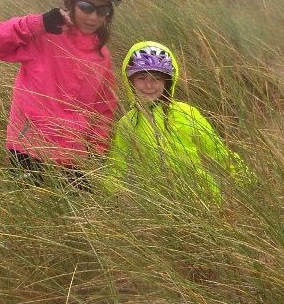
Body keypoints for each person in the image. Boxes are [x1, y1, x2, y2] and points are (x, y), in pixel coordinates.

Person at [0, 0, 123, 187]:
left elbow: (103, 107)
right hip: (28, 148)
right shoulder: (44, 36)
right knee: (26, 213)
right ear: (71, 4)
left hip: (73, 154)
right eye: (86, 7)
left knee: (81, 217)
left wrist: (97, 150)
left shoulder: (101, 56)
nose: (94, 17)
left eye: (103, 10)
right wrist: (36, 24)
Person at [108, 41, 253, 203]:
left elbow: (217, 151)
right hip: (158, 205)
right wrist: (116, 191)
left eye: (156, 79)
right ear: (131, 82)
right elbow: (116, 165)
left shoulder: (186, 113)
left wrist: (247, 180)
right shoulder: (127, 123)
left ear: (167, 82)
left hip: (204, 197)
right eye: (142, 78)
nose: (149, 86)